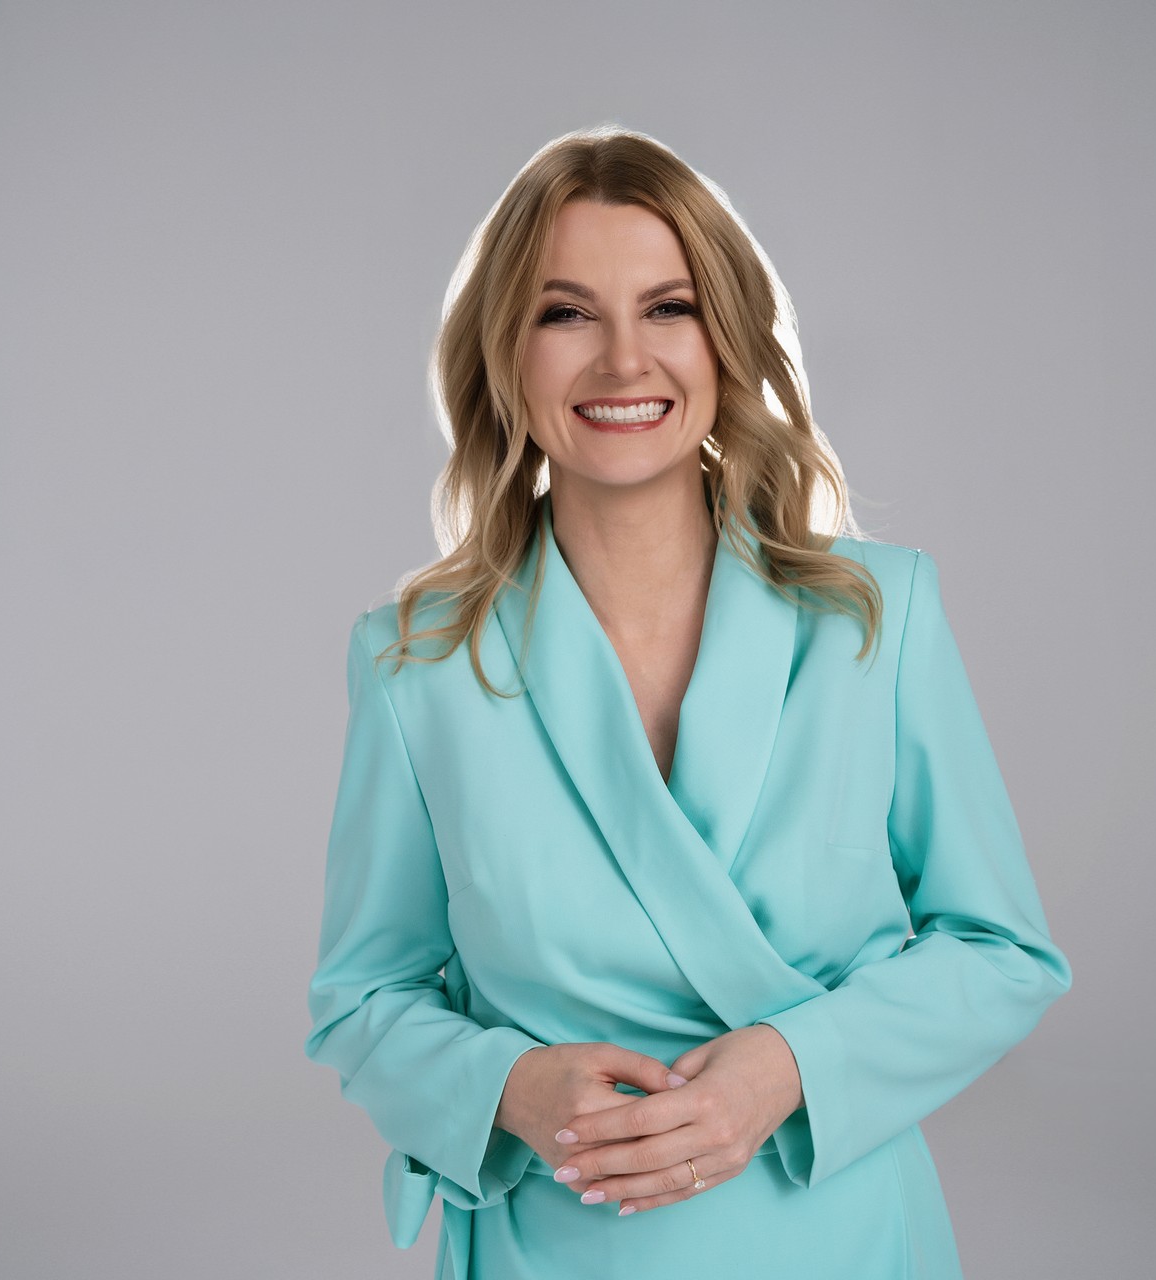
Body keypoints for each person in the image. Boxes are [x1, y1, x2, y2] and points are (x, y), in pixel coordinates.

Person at [303, 125, 1073, 1280]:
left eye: (668, 308)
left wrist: (788, 1067)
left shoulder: (875, 615)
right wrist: (510, 1087)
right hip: (557, 1244)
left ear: (727, 339)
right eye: (566, 314)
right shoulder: (416, 662)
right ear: (505, 353)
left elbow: (1002, 949)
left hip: (840, 1236)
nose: (624, 361)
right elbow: (364, 998)